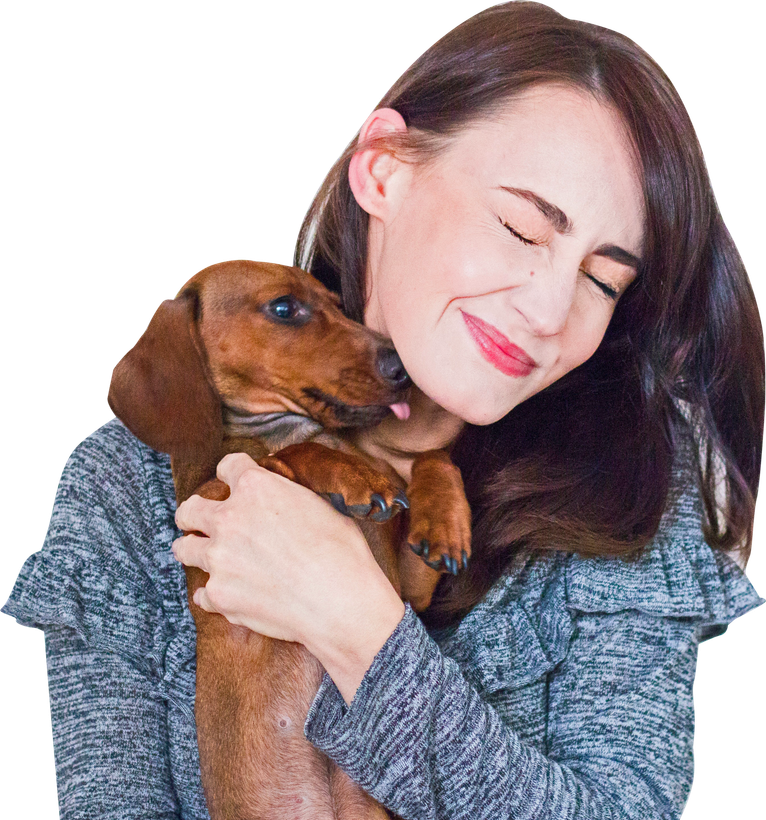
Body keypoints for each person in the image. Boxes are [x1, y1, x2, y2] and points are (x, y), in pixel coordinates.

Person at [3, 2, 763, 818]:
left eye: (602, 280)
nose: (549, 309)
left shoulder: (635, 492)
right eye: (519, 227)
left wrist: (356, 621)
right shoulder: (122, 490)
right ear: (384, 170)